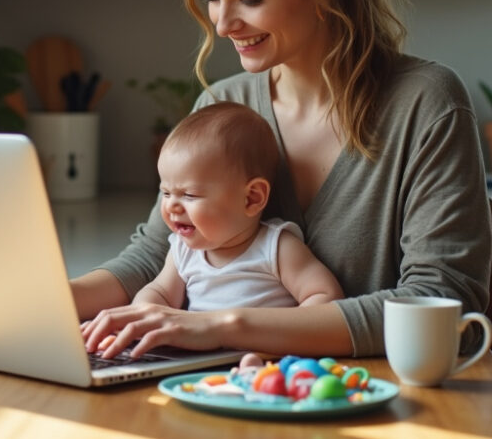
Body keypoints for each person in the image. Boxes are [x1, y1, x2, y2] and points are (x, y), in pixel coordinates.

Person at [77, 0, 492, 361]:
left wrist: (223, 326)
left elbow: (441, 300)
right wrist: (40, 302)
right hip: (241, 394)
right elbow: (155, 256)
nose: (224, 24)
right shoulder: (223, 107)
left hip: (375, 399)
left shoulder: (425, 104)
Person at [82, 102, 343, 354]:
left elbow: (325, 297)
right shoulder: (183, 250)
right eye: (165, 192)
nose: (172, 206)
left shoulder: (277, 247)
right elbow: (160, 292)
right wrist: (143, 315)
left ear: (252, 198)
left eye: (190, 195)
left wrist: (282, 339)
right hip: (192, 363)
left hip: (261, 361)